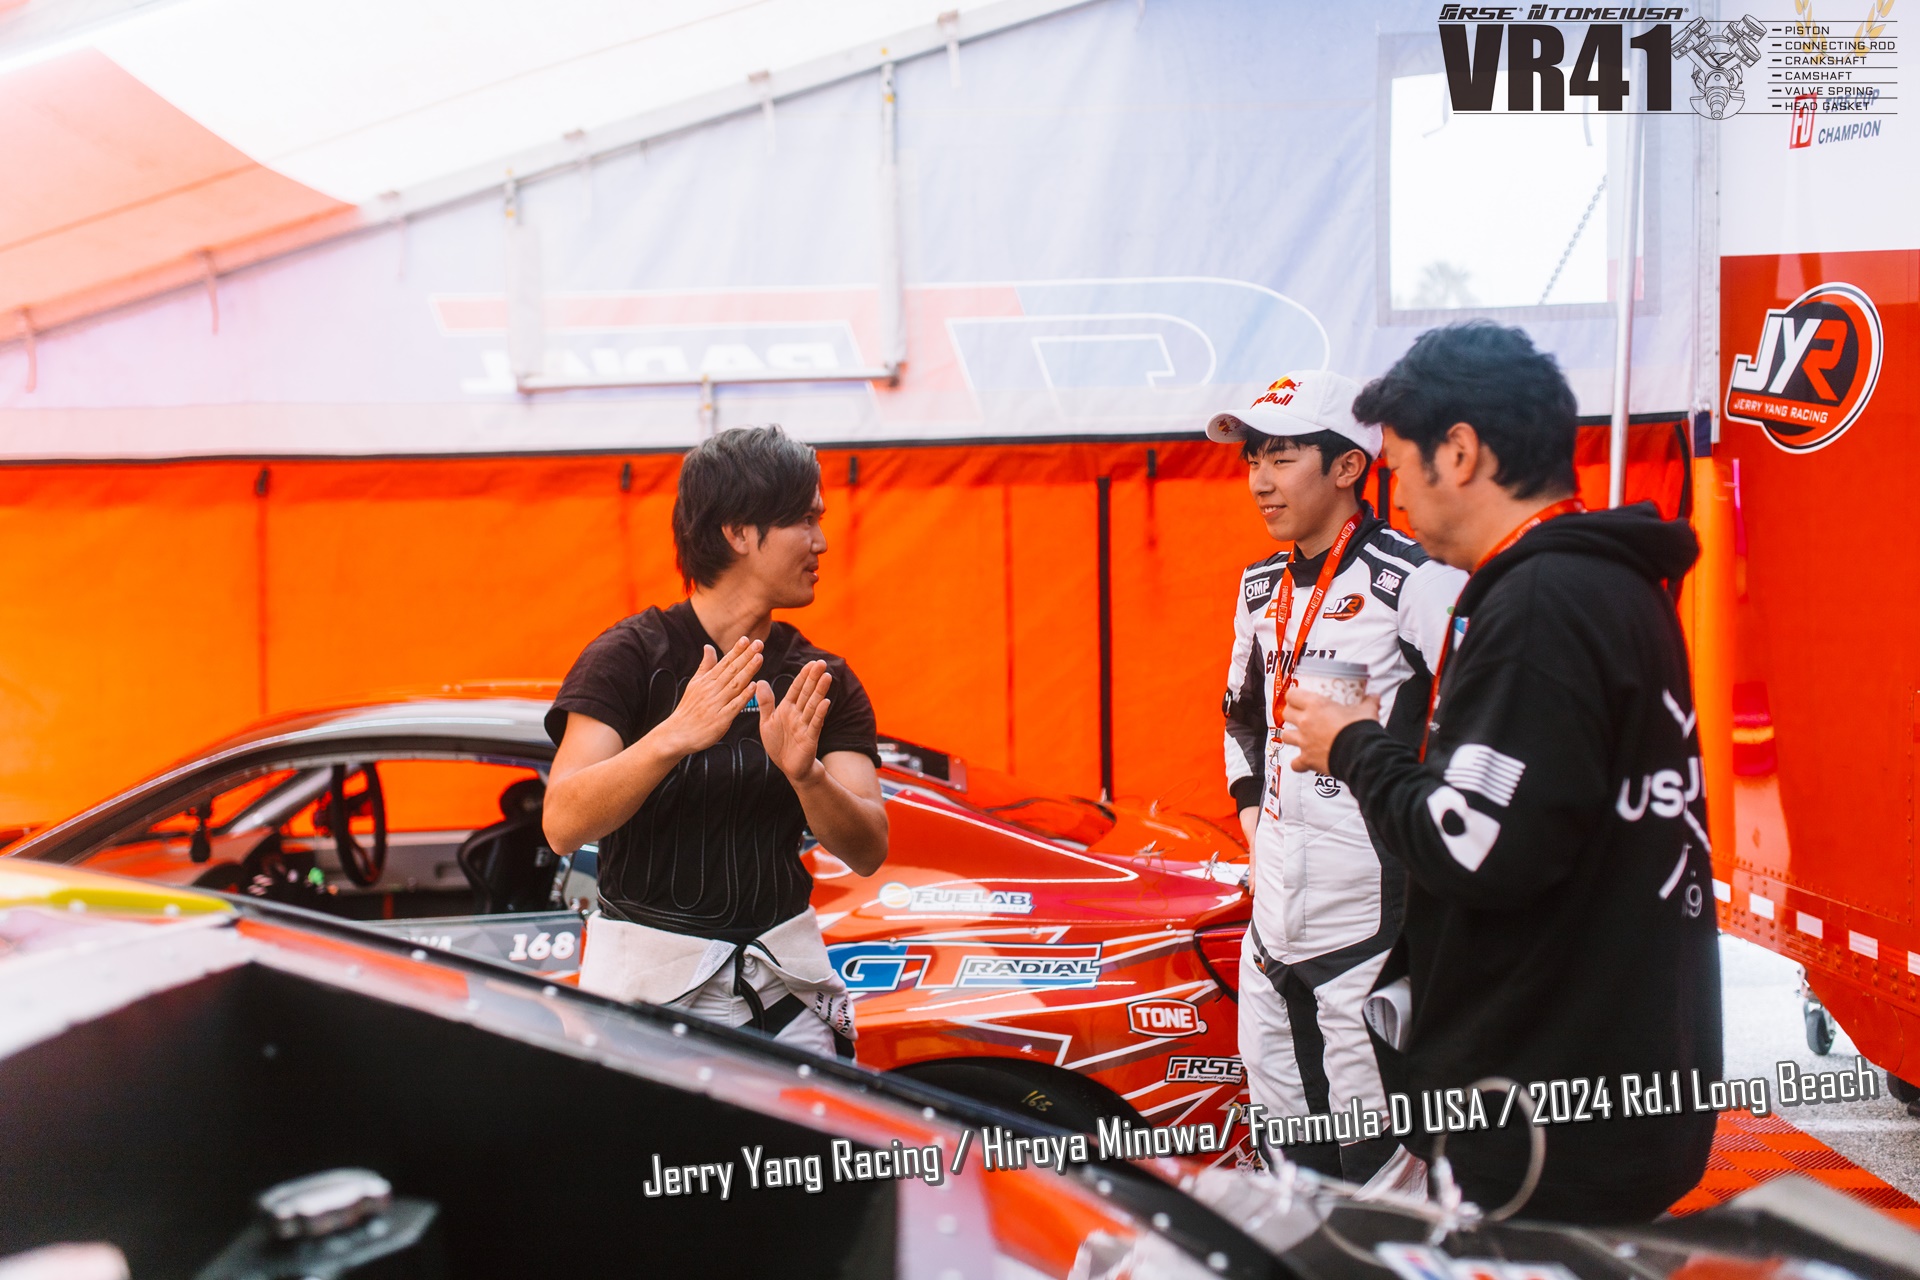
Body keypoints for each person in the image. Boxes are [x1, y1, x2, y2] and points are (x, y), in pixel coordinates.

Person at [1282, 322, 1722, 1223]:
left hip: (1547, 1115)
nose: (1399, 498)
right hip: (1609, 1083)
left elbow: (1469, 845)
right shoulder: (1609, 586)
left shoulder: (1540, 604)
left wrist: (1354, 744)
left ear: (1460, 451)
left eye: (1399, 468)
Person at [542, 424, 889, 1057]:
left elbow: (869, 849)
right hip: (644, 1001)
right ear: (738, 532)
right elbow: (563, 823)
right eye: (804, 521)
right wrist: (671, 738)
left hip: (785, 994)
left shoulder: (822, 677)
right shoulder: (627, 657)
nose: (822, 542)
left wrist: (808, 777)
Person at [1213, 370, 1465, 1183]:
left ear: (1349, 466)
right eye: (1253, 458)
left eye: (1282, 457)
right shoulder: (1258, 586)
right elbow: (1241, 717)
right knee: (1288, 1157)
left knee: (1380, 1167)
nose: (1260, 479)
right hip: (1273, 927)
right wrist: (1254, 822)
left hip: (1374, 925)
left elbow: (1479, 724)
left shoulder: (1414, 578)